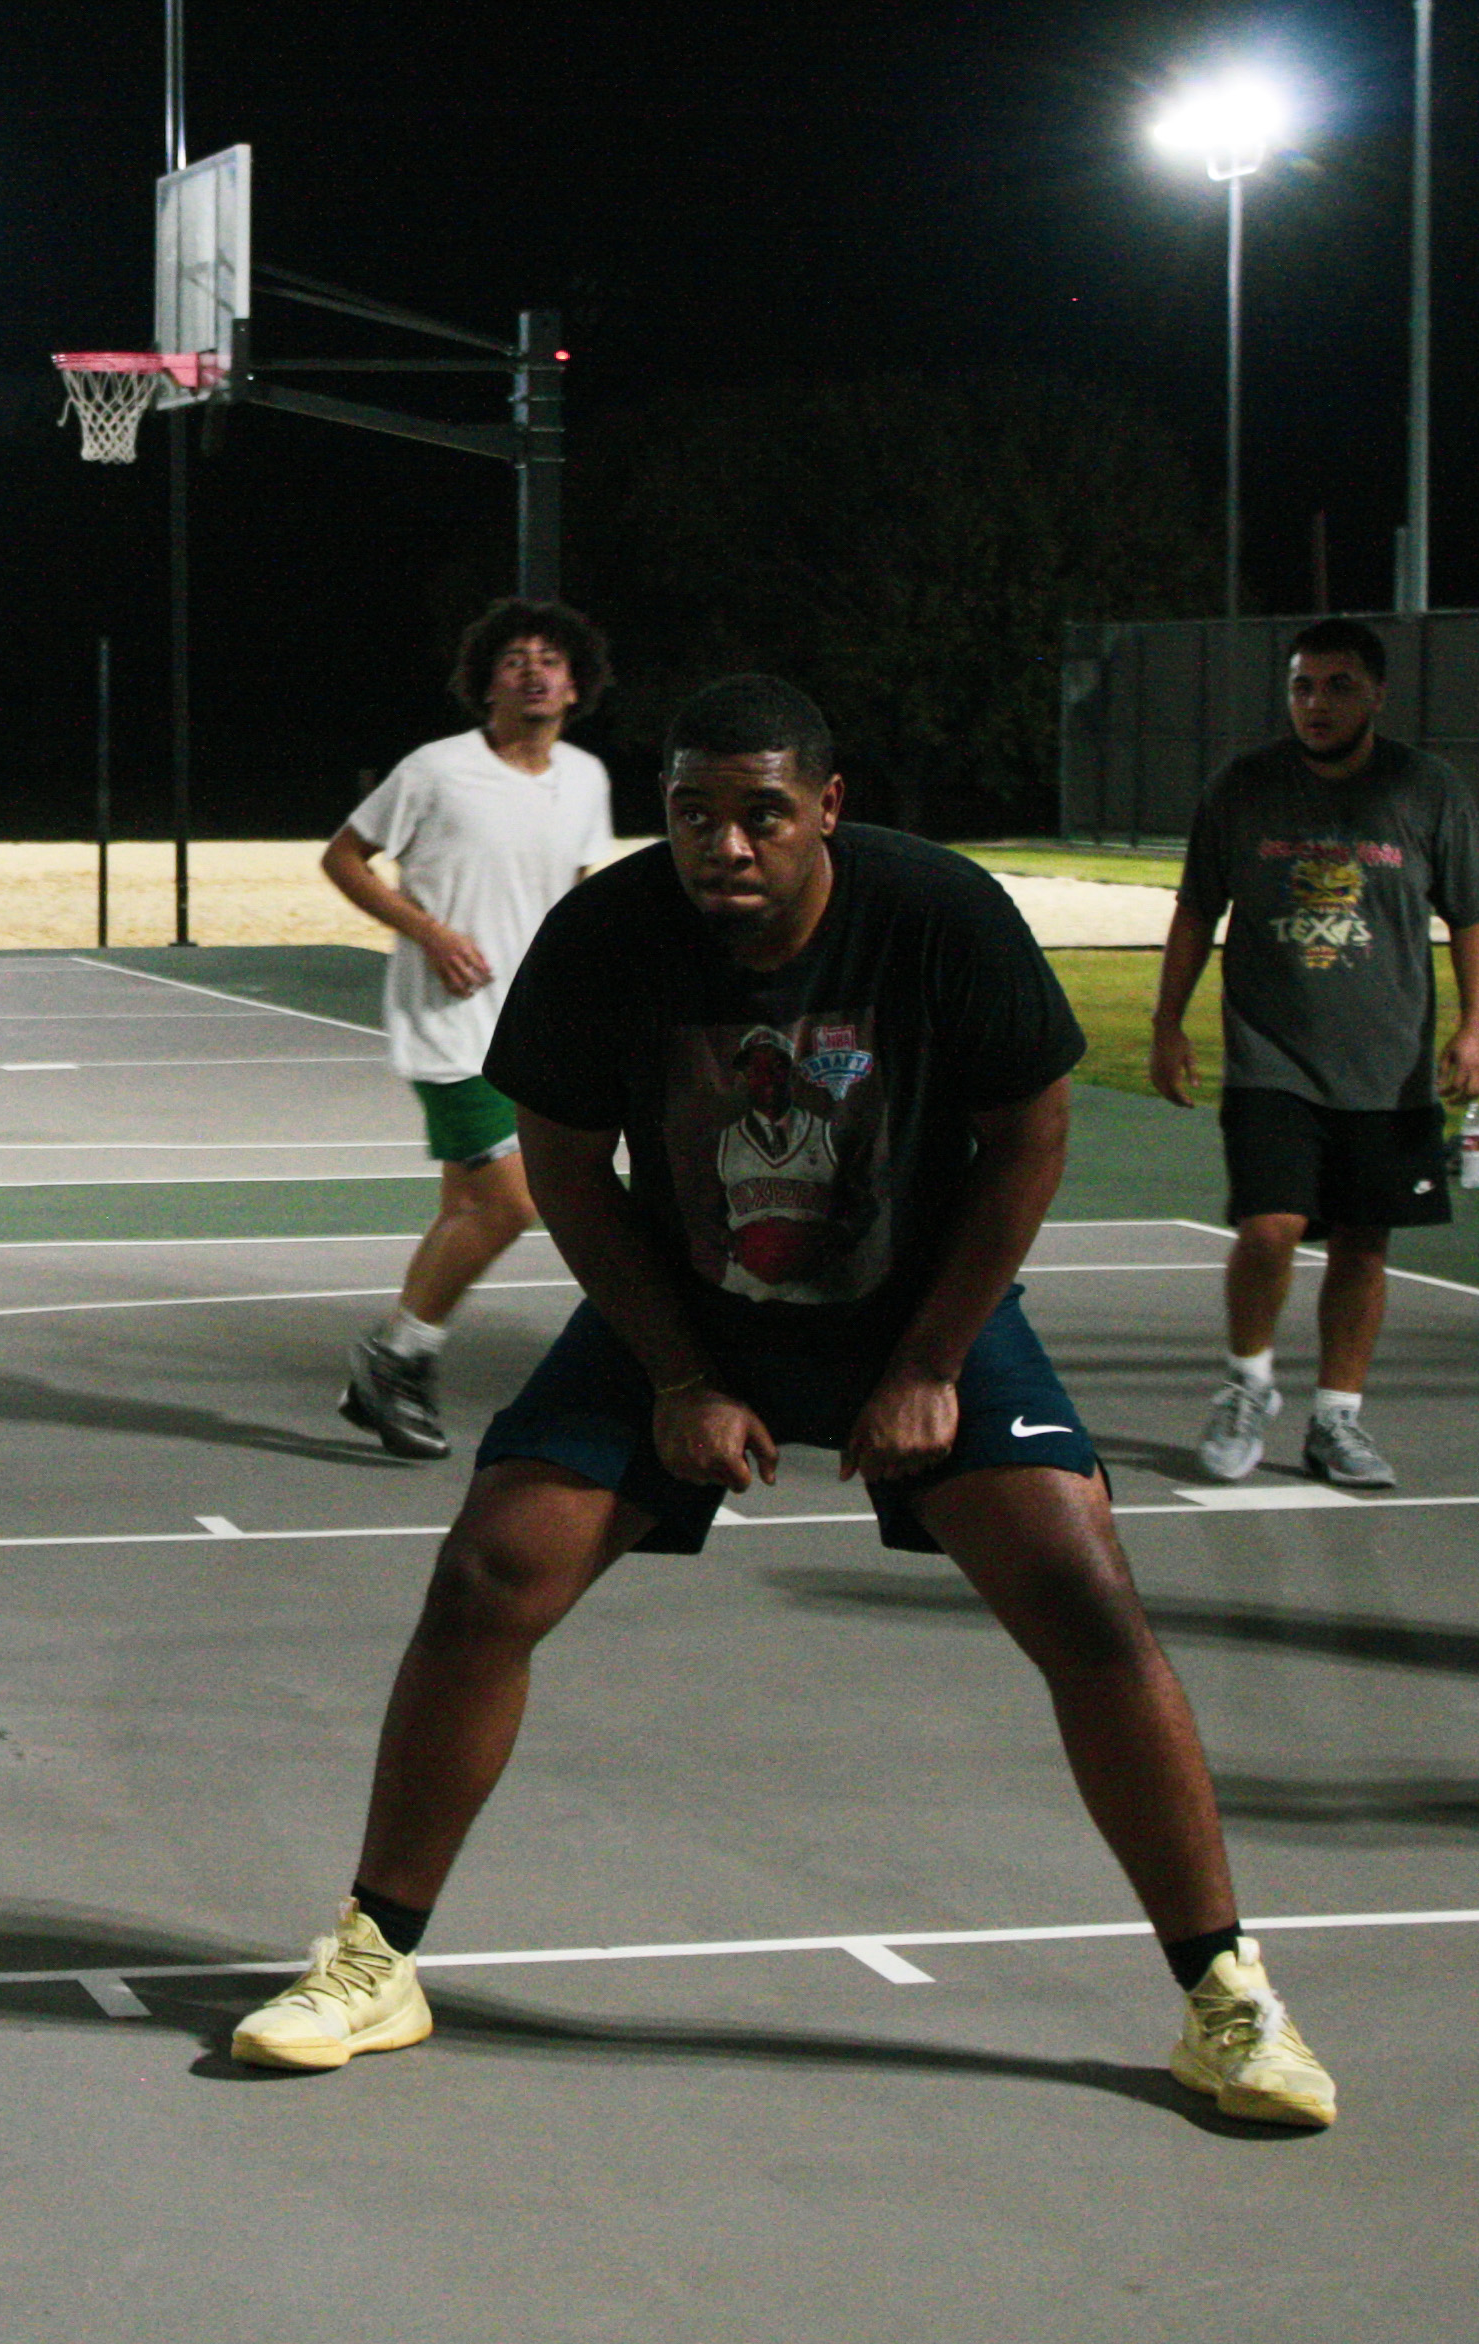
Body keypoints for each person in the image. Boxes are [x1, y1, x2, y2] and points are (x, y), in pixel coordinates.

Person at [230, 675, 1337, 2129]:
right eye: (694, 813)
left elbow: (1030, 1140)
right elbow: (564, 1171)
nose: (725, 845)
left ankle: (1226, 1998)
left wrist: (933, 1364)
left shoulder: (938, 915)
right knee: (490, 1571)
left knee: (1082, 1589)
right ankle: (376, 1959)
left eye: (761, 813)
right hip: (688, 1301)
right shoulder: (610, 936)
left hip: (913, 1296)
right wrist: (682, 1374)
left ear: (827, 809)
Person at [1152, 616, 1479, 1490]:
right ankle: (1249, 1385)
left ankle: (1337, 1421)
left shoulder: (1425, 789)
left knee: (1363, 1243)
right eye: (1303, 685)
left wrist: (1476, 1027)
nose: (1317, 702)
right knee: (1269, 1229)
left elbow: (1472, 916)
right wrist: (1168, 1022)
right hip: (1273, 1057)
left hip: (1388, 1067)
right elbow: (1198, 907)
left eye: (1339, 685)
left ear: (1378, 694)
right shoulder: (1244, 786)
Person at [320, 599, 616, 1459]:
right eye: (516, 658)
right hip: (449, 1024)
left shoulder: (586, 781)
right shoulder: (436, 770)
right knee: (516, 1200)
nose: (534, 671)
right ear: (486, 681)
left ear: (575, 683)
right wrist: (432, 932)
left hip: (527, 1026)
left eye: (551, 659)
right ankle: (398, 1354)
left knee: (468, 1208)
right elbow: (343, 857)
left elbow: (570, 897)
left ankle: (391, 1369)